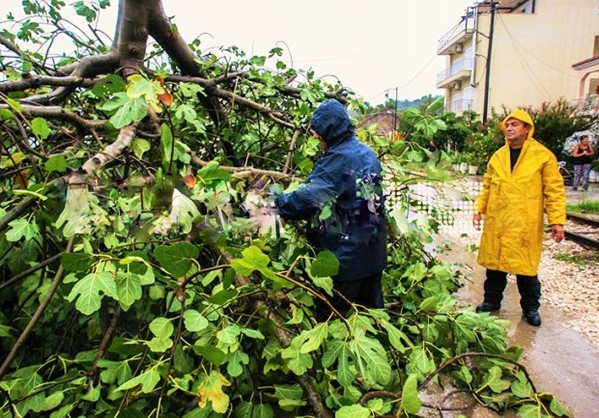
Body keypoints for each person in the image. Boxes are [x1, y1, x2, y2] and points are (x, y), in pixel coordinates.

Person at [274, 99, 387, 322]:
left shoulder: (338, 159)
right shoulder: (367, 153)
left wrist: (276, 202)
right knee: (372, 320)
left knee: (333, 322)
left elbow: (309, 199)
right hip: (373, 255)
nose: (315, 137)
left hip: (346, 261)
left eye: (318, 132)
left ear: (330, 130)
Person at [472, 109, 566, 326]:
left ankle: (531, 308)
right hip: (498, 221)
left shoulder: (543, 156)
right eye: (507, 125)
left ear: (527, 129)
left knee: (526, 270)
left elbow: (554, 190)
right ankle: (491, 302)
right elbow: (487, 185)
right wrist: (479, 208)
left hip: (524, 223)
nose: (509, 128)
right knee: (494, 267)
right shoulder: (498, 157)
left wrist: (557, 221)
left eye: (515, 124)